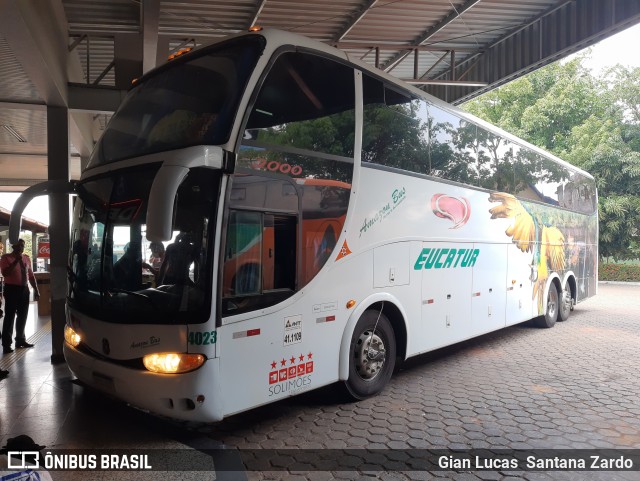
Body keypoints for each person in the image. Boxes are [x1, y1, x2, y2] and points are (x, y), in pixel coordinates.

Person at [0, 239, 40, 354]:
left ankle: (20, 340)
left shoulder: (26, 258)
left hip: (24, 289)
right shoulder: (6, 258)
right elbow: (5, 273)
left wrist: (36, 290)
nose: (20, 248)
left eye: (22, 246)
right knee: (10, 316)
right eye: (18, 246)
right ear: (13, 247)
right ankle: (6, 344)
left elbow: (31, 276)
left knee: (23, 316)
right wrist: (15, 261)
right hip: (11, 289)